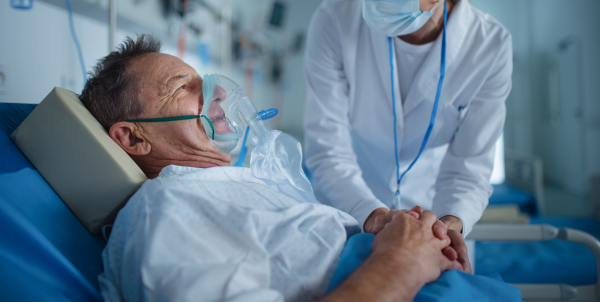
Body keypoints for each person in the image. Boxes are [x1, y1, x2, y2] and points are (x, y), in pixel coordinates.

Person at [80, 35, 466, 302]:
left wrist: (395, 232)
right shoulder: (163, 210)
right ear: (132, 139)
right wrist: (402, 262)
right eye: (184, 87)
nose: (217, 91)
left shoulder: (236, 182)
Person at [304, 0, 512, 270]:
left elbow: (468, 167)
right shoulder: (335, 20)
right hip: (352, 206)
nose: (370, 0)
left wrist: (450, 222)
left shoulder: (489, 46)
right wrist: (372, 215)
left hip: (437, 220)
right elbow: (327, 151)